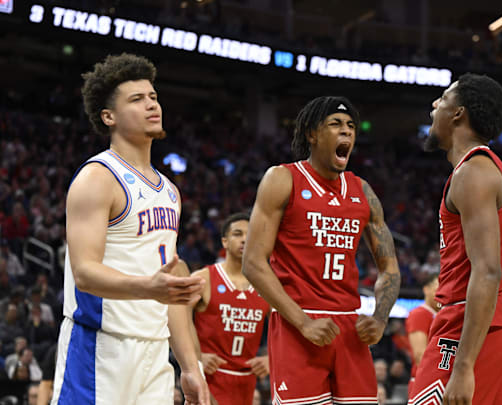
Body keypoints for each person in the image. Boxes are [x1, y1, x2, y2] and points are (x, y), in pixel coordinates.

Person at [51, 53, 209, 405]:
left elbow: (171, 291)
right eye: (136, 99)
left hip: (154, 354)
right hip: (100, 348)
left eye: (153, 96)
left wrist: (189, 366)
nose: (152, 105)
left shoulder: (170, 191)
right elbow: (85, 273)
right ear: (109, 116)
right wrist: (148, 287)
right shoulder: (98, 177)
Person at [243, 96, 401, 404]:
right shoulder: (282, 178)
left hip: (349, 326)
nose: (347, 132)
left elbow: (390, 268)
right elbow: (253, 263)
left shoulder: (363, 191)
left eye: (351, 126)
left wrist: (381, 317)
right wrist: (302, 321)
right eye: (336, 124)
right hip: (297, 324)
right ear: (312, 134)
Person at [409, 73, 502, 405]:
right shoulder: (489, 169)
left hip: (470, 324)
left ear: (458, 113)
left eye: (443, 99)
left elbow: (488, 270)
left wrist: (463, 366)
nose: (435, 105)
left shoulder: (472, 172)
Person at [185, 212, 271, 405]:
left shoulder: (265, 284)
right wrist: (196, 358)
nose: (244, 240)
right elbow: (176, 317)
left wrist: (270, 359)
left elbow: (285, 327)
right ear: (224, 242)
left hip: (247, 380)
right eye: (237, 234)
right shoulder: (204, 278)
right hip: (210, 376)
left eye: (250, 235)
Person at [406, 273, 439, 393]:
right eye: (437, 289)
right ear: (426, 290)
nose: (441, 294)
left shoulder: (441, 314)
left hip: (438, 379)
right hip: (425, 381)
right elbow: (420, 355)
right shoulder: (419, 314)